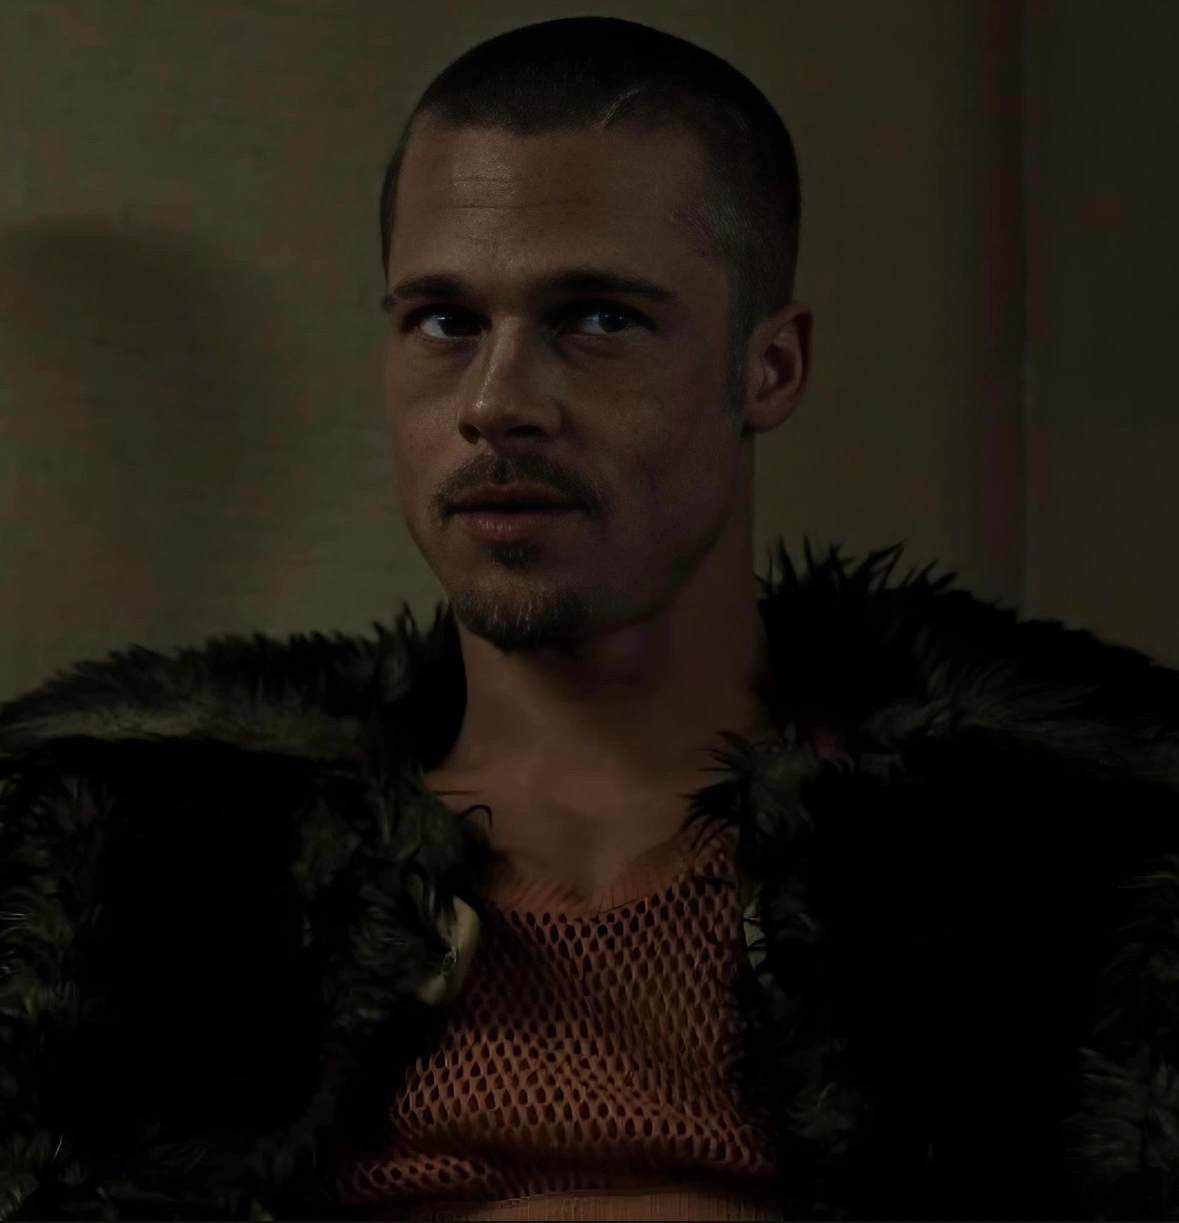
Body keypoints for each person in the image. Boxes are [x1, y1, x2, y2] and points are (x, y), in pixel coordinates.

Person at [2, 13, 1178, 1222]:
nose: (496, 402)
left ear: (769, 368)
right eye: (447, 322)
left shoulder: (1084, 865)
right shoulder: (117, 862)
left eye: (599, 318)